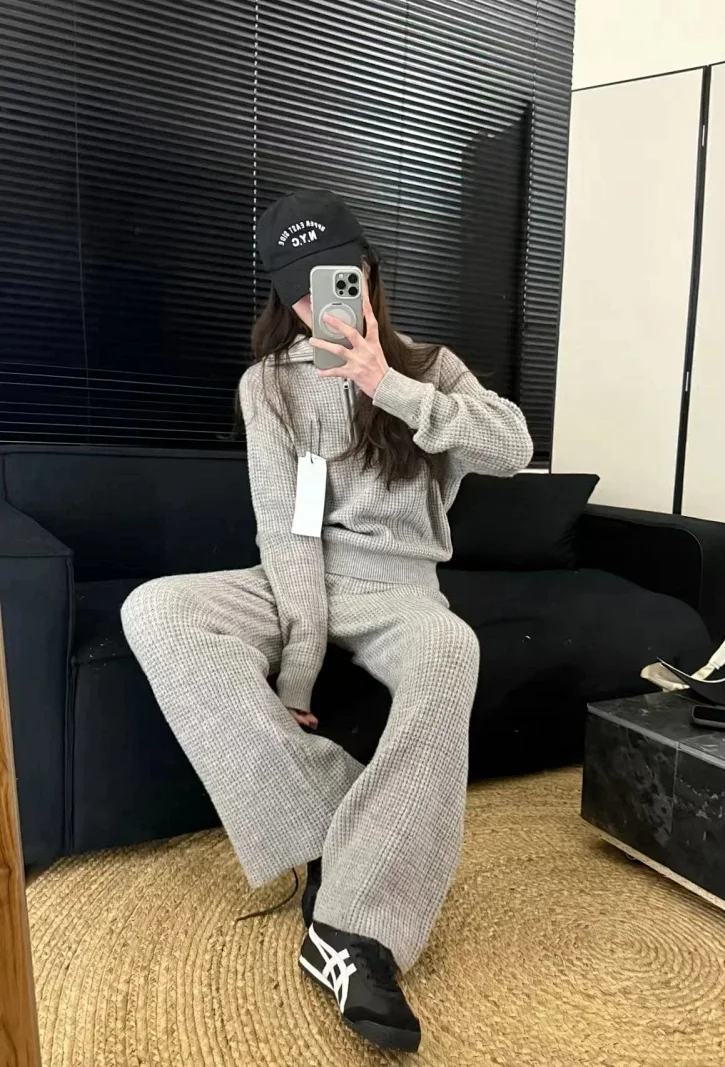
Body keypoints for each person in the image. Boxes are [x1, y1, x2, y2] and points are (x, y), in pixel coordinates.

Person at [121, 189, 533, 1052]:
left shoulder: (431, 367)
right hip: (294, 580)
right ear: (283, 296)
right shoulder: (268, 385)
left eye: (335, 279)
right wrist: (298, 667)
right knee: (155, 608)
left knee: (451, 648)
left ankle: (352, 930)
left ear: (367, 271)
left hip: (402, 591)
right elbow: (286, 529)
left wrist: (390, 386)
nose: (321, 305)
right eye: (301, 289)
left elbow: (513, 446)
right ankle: (342, 807)